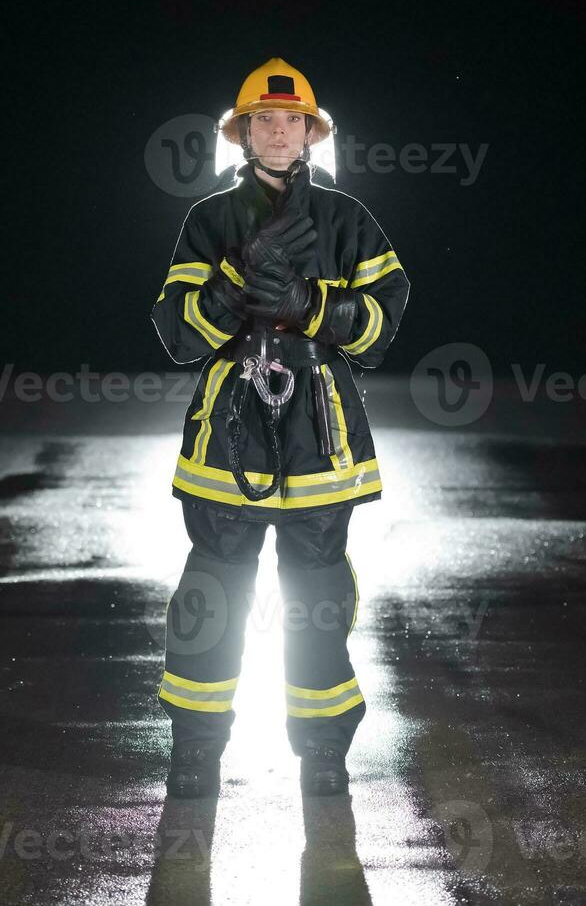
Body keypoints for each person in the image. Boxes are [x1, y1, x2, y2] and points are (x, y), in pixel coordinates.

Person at [150, 58, 410, 798]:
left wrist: (312, 306)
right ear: (241, 134)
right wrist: (231, 292)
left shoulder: (349, 220)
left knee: (319, 595)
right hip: (228, 426)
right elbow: (176, 333)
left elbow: (382, 329)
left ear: (310, 133)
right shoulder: (207, 220)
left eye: (290, 120)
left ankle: (323, 750)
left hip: (320, 432)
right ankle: (195, 750)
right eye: (262, 120)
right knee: (213, 592)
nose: (276, 130)